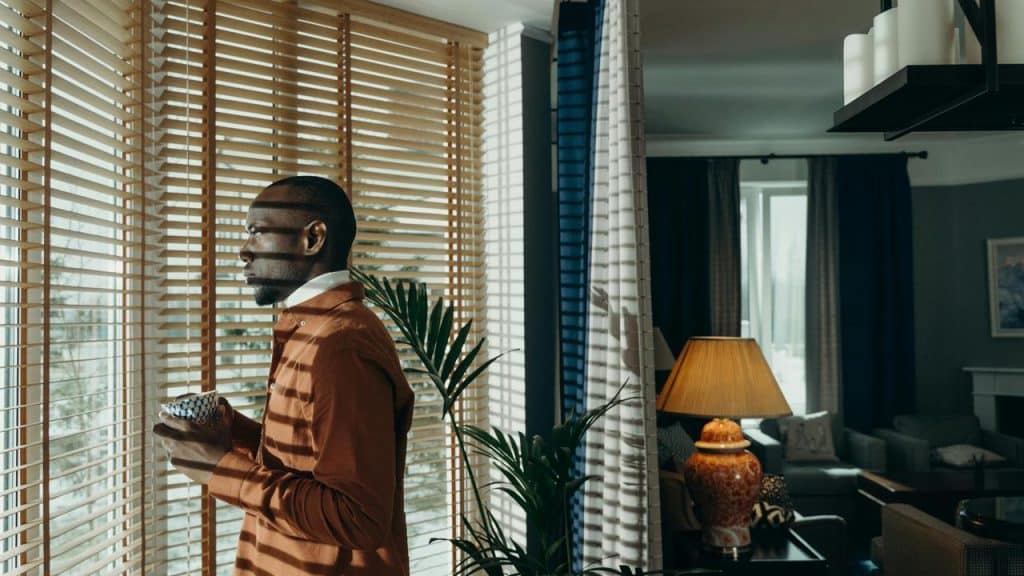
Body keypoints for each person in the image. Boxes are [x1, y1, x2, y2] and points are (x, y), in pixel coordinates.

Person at [154, 176, 414, 575]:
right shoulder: (312, 331)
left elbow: (358, 516)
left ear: (312, 239)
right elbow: (313, 464)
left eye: (257, 232)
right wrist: (235, 431)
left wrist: (220, 468)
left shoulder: (340, 346)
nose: (244, 250)